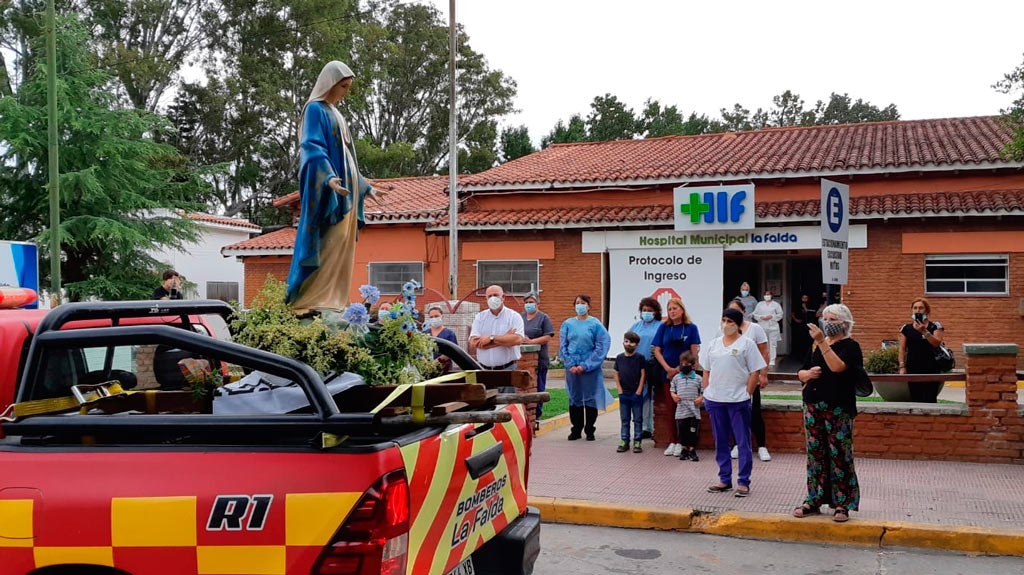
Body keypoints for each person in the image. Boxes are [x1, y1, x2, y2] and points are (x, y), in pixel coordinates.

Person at [285, 61, 386, 314]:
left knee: (343, 245)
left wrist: (365, 186)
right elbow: (312, 146)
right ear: (329, 84)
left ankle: (335, 299)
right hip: (330, 194)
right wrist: (327, 177)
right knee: (330, 241)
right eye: (343, 86)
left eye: (349, 87)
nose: (346, 92)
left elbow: (348, 157)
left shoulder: (337, 113)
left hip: (348, 193)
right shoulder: (315, 110)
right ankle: (312, 299)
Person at [794, 303, 863, 523]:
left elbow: (837, 367)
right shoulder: (815, 346)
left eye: (832, 319)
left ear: (844, 323)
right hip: (813, 404)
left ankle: (842, 503)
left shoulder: (850, 346)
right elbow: (801, 372)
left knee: (839, 454)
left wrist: (823, 341)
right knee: (815, 454)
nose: (827, 323)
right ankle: (813, 499)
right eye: (825, 318)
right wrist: (807, 374)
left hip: (838, 407)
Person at [701, 308, 766, 498]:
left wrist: (748, 392)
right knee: (721, 441)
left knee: (742, 441)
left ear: (738, 324)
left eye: (730, 321)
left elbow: (756, 370)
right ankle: (724, 478)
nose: (726, 325)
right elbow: (706, 369)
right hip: (715, 399)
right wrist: (706, 390)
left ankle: (743, 481)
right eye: (723, 320)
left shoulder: (747, 344)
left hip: (738, 400)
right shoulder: (713, 344)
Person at [725, 298, 772, 462]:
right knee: (734, 413)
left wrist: (763, 374)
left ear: (743, 312)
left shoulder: (755, 328)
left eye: (737, 310)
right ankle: (738, 444)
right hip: (733, 379)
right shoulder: (725, 330)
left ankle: (761, 446)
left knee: (754, 412)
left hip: (751, 378)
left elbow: (764, 352)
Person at [559, 294, 612, 441]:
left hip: (590, 368)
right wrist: (570, 364)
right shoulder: (567, 324)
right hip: (572, 369)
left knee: (590, 398)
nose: (580, 305)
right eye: (577, 303)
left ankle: (590, 429)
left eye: (583, 303)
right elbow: (563, 346)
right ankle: (576, 429)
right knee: (574, 398)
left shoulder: (595, 324)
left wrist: (586, 365)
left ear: (589, 306)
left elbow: (602, 346)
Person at [653, 298, 701, 457]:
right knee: (671, 408)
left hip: (685, 375)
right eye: (669, 309)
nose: (672, 311)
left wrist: (682, 369)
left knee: (685, 409)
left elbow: (694, 352)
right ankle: (673, 441)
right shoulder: (663, 328)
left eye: (675, 308)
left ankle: (684, 442)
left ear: (682, 310)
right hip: (667, 375)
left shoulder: (691, 328)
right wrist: (668, 368)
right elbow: (657, 350)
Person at [898, 297, 946, 403]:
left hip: (931, 367)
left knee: (930, 397)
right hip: (913, 367)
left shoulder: (935, 326)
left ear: (927, 310)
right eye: (915, 308)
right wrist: (902, 366)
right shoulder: (906, 328)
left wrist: (924, 331)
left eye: (921, 308)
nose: (917, 310)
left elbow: (937, 343)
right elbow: (902, 349)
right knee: (915, 397)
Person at [629, 297, 663, 440]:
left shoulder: (661, 326)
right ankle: (643, 427)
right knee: (641, 396)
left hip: (654, 365)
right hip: (637, 366)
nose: (646, 313)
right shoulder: (636, 327)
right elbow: (628, 342)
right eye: (644, 310)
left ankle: (655, 427)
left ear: (655, 312)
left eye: (649, 310)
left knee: (653, 395)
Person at [469, 285, 526, 370]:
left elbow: (517, 340)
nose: (493, 298)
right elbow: (473, 343)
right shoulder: (480, 317)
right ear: (486, 299)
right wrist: (505, 338)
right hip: (484, 369)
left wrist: (491, 338)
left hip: (507, 368)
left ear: (503, 297)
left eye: (495, 295)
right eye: (490, 296)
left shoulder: (514, 316)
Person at [521, 292, 555, 422]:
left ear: (537, 304)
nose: (528, 305)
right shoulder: (520, 317)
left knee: (539, 385)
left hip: (539, 359)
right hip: (523, 359)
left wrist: (531, 342)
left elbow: (548, 336)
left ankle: (537, 412)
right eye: (526, 302)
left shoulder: (543, 318)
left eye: (531, 302)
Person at [614, 331, 645, 453]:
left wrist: (639, 390)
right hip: (624, 394)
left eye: (632, 342)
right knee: (625, 419)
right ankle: (624, 441)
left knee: (638, 419)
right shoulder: (619, 358)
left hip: (636, 394)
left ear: (637, 344)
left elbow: (643, 374)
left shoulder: (640, 358)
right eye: (626, 341)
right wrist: (619, 390)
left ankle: (637, 442)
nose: (629, 344)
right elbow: (616, 374)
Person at [670, 351, 703, 462]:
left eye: (687, 364)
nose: (684, 366)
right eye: (682, 364)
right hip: (681, 408)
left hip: (694, 409)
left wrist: (700, 398)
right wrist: (674, 396)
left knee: (693, 430)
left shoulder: (698, 378)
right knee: (682, 430)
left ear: (692, 365)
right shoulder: (676, 378)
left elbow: (704, 391)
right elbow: (672, 390)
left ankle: (692, 450)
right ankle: (684, 449)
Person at [753, 289, 784, 368]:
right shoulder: (760, 304)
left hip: (772, 326)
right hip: (762, 325)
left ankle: (772, 359)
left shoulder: (776, 304)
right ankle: (762, 358)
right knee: (763, 342)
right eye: (766, 294)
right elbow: (755, 314)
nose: (767, 296)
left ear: (771, 296)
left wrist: (772, 316)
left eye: (768, 294)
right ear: (763, 296)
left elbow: (780, 314)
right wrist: (761, 317)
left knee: (772, 343)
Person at [424, 306, 459, 373]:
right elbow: (421, 350)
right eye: (431, 317)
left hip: (445, 369)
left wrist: (436, 362)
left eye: (436, 316)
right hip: (428, 369)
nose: (434, 319)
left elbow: (452, 352)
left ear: (442, 316)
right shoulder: (425, 333)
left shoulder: (449, 334)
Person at [790, 294, 816, 362]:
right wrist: (796, 319)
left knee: (808, 342)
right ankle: (800, 357)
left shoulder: (810, 305)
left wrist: (805, 308)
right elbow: (792, 313)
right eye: (803, 298)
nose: (804, 299)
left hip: (807, 326)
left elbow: (812, 314)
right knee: (800, 342)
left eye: (806, 298)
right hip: (799, 326)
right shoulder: (797, 305)